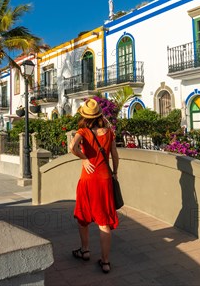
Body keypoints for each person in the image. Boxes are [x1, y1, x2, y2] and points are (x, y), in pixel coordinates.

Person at [69, 98, 119, 274]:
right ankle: (105, 262)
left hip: (88, 179)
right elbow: (114, 154)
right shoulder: (109, 132)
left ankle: (85, 250)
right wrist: (115, 172)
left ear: (84, 116)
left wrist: (84, 159)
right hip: (104, 178)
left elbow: (72, 147)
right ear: (99, 115)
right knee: (103, 221)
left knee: (83, 217)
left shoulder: (83, 131)